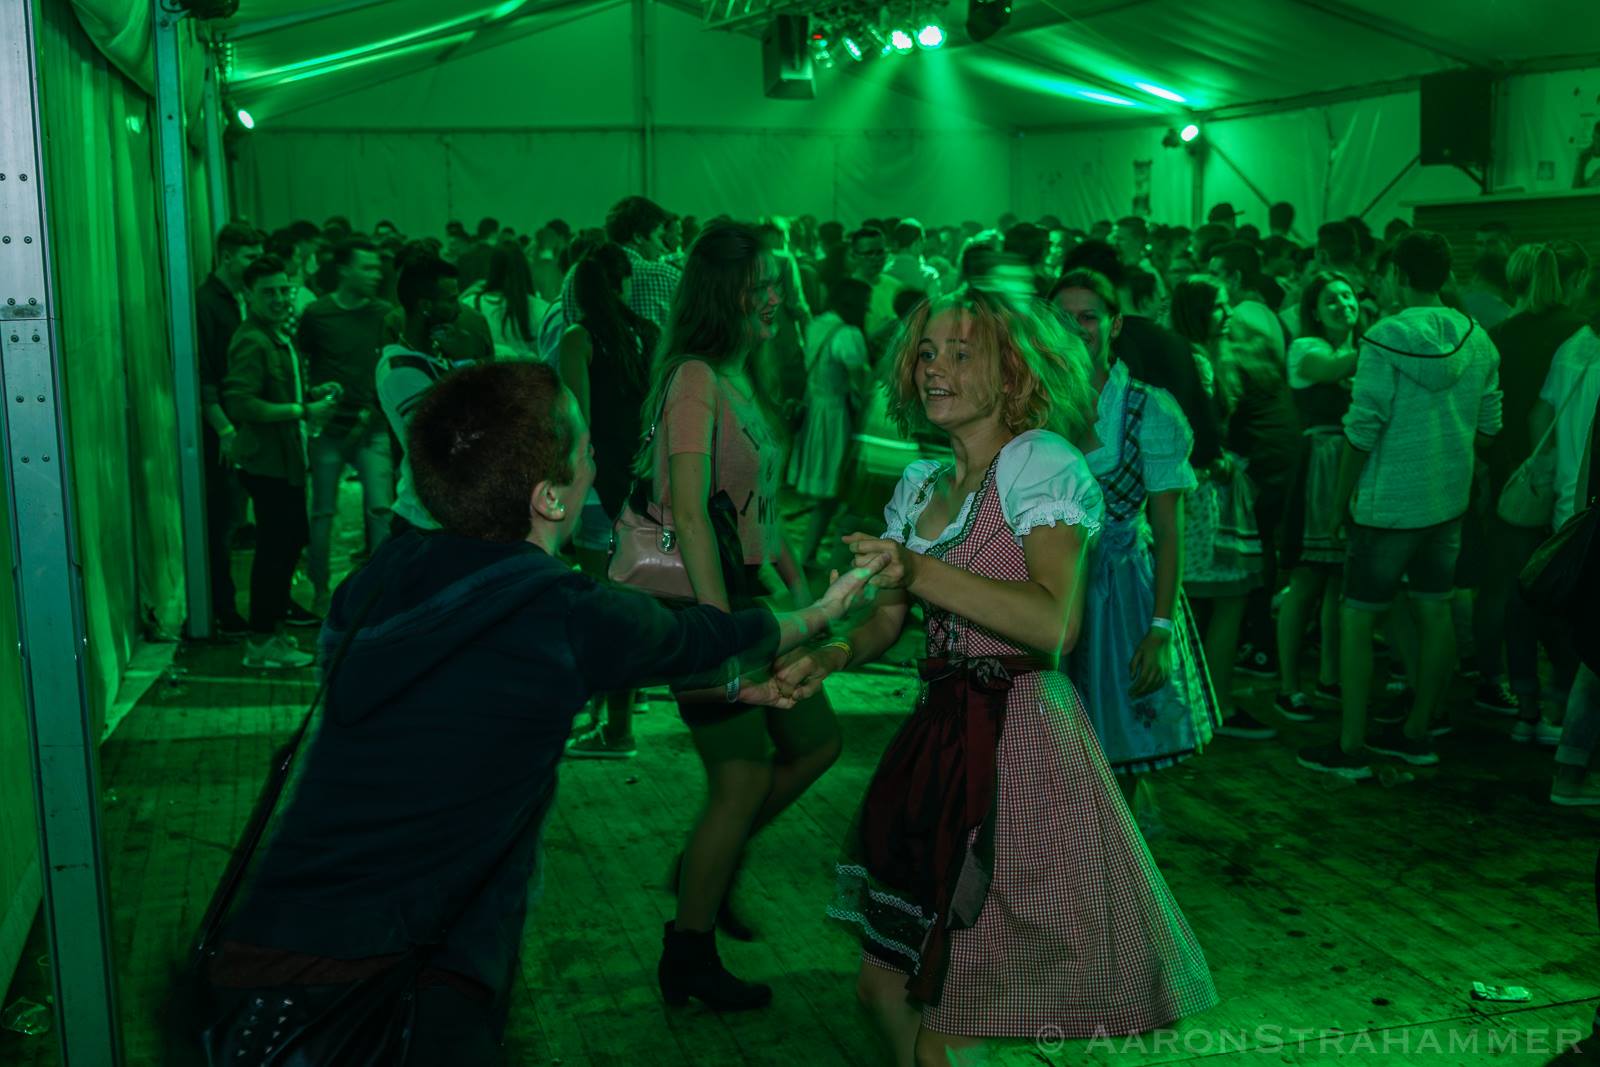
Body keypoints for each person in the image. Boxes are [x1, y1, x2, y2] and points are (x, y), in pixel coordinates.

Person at [202, 359, 879, 1063]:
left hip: (270, 947)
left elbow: (460, 701)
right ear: (551, 498)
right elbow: (700, 636)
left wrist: (733, 690)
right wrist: (823, 612)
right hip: (405, 977)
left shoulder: (375, 580)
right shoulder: (560, 611)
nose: (597, 460)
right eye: (584, 448)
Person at [773, 287, 1216, 1065]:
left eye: (960, 353)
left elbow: (1054, 624)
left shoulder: (1041, 463)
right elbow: (887, 620)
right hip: (939, 739)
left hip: (1019, 748)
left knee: (953, 1014)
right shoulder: (921, 484)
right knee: (880, 989)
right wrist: (831, 656)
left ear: (1014, 372)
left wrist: (915, 567)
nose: (933, 368)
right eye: (926, 352)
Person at [637, 220, 843, 1008]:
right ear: (724, 293)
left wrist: (799, 587)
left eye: (777, 284)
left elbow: (757, 508)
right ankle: (689, 950)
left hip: (749, 598)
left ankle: (706, 865)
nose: (777, 298)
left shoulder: (735, 374)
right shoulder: (694, 378)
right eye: (762, 286)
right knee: (743, 773)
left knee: (817, 742)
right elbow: (689, 512)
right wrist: (722, 628)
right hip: (706, 606)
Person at [1299, 230, 1503, 779]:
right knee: (1434, 610)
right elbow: (1489, 429)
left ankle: (1351, 747)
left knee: (1358, 616)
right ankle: (1417, 733)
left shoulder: (1384, 337)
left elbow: (1362, 429)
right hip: (1447, 503)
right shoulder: (1479, 338)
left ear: (1398, 275)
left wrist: (1339, 503)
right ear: (1446, 274)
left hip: (1386, 505)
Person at [1051, 270, 1218, 809]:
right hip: (1046, 584)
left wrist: (1161, 629)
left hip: (1120, 594)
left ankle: (1111, 848)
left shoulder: (1150, 409)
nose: (1076, 328)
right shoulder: (1029, 404)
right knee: (1046, 748)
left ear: (1115, 324)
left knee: (1116, 745)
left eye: (1088, 316)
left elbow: (1168, 530)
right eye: (1063, 317)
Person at [1476, 244, 1591, 729]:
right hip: (1569, 484)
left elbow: (1499, 412)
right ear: (1575, 280)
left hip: (1515, 480)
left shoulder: (1498, 335)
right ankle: (1561, 703)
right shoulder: (1579, 337)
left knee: (1508, 588)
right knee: (1562, 595)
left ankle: (1497, 684)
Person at [559, 242, 660, 758]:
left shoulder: (578, 338)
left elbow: (576, 421)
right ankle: (615, 717)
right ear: (625, 282)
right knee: (630, 604)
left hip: (599, 489)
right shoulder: (650, 334)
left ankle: (614, 730)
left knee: (603, 609)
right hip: (643, 485)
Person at [222, 256, 339, 669]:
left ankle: (272, 631)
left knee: (287, 547)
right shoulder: (252, 341)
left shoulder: (276, 335)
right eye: (267, 292)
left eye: (283, 290)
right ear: (248, 294)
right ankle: (260, 642)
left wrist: (309, 395)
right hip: (267, 466)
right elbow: (241, 402)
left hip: (285, 462)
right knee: (275, 552)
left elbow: (277, 389)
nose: (278, 298)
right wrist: (301, 410)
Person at [1170, 277, 1266, 738]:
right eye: (1218, 306)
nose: (1228, 314)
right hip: (1202, 495)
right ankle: (1215, 704)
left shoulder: (1196, 356)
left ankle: (1195, 702)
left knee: (1198, 600)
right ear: (1196, 312)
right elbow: (1191, 434)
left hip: (1197, 493)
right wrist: (1218, 463)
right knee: (1225, 597)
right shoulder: (1198, 362)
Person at [295, 238, 396, 615]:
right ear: (344, 270)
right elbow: (302, 362)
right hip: (330, 430)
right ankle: (320, 590)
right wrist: (312, 399)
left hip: (372, 427)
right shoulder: (317, 314)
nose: (375, 274)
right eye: (366, 267)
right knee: (323, 512)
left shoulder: (385, 314)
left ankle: (381, 593)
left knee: (381, 510)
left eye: (377, 268)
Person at [1275, 273, 1360, 721]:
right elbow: (1331, 369)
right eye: (1331, 299)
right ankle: (1288, 685)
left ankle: (1330, 675)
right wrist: (1387, 343)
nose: (1343, 304)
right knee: (1307, 579)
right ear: (1314, 310)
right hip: (1320, 466)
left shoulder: (1357, 349)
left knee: (1339, 582)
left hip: (1352, 465)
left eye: (1348, 295)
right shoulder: (1306, 348)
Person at [195, 222, 264, 635]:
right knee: (223, 522)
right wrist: (223, 429)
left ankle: (261, 605)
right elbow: (205, 374)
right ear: (226, 257)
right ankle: (222, 607)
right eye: (250, 257)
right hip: (226, 431)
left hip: (245, 425)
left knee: (245, 517)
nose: (256, 264)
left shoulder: (241, 298)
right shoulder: (207, 303)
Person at [376, 254, 466, 534]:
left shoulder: (434, 354)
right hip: (425, 521)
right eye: (451, 300)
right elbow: (444, 440)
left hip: (445, 511)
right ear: (426, 306)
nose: (459, 308)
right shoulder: (401, 371)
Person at [788, 277, 873, 565]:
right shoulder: (848, 334)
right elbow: (860, 383)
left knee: (830, 494)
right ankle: (829, 557)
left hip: (816, 410)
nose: (868, 310)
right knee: (841, 489)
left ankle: (809, 554)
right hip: (838, 417)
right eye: (866, 304)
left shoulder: (817, 324)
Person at [562, 196, 682, 331]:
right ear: (638, 237)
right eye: (659, 237)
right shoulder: (667, 275)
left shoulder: (574, 275)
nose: (663, 247)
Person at [466, 242, 549, 360]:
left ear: (492, 268)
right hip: (530, 370)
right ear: (523, 269)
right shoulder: (541, 309)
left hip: (487, 371)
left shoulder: (470, 305)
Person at [886, 220, 943, 301]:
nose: (924, 244)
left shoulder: (884, 273)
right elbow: (935, 305)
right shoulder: (928, 275)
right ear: (916, 243)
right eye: (922, 239)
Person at [454, 217, 498, 290]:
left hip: (468, 295)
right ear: (494, 234)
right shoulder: (498, 256)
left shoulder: (463, 258)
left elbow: (461, 285)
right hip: (490, 295)